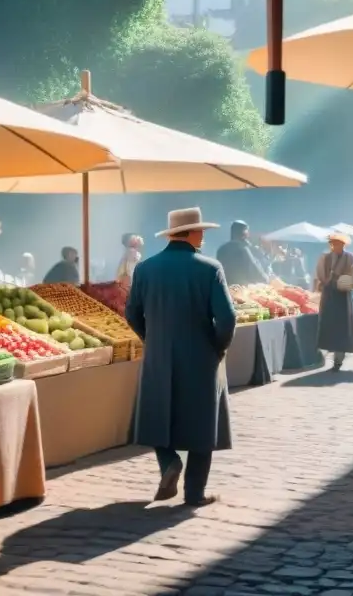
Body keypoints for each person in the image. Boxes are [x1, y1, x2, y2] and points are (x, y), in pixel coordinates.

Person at [125, 206, 235, 507]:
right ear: (191, 233)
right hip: (201, 355)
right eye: (201, 230)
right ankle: (194, 492)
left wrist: (152, 337)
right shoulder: (210, 268)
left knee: (156, 414)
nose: (203, 236)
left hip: (159, 354)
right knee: (203, 423)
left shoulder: (145, 268)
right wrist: (218, 346)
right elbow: (227, 319)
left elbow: (131, 312)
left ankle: (169, 462)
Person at [314, 232, 353, 371]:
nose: (336, 246)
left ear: (343, 245)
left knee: (342, 326)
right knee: (328, 325)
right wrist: (326, 282)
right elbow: (319, 275)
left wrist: (348, 282)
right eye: (334, 243)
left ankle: (338, 359)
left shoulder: (350, 258)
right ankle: (329, 352)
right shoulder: (325, 258)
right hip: (329, 295)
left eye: (339, 243)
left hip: (342, 296)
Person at [216, 221, 269, 287]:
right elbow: (255, 269)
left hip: (224, 287)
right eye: (247, 230)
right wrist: (266, 279)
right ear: (243, 232)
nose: (248, 234)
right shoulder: (242, 248)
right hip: (241, 290)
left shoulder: (221, 249)